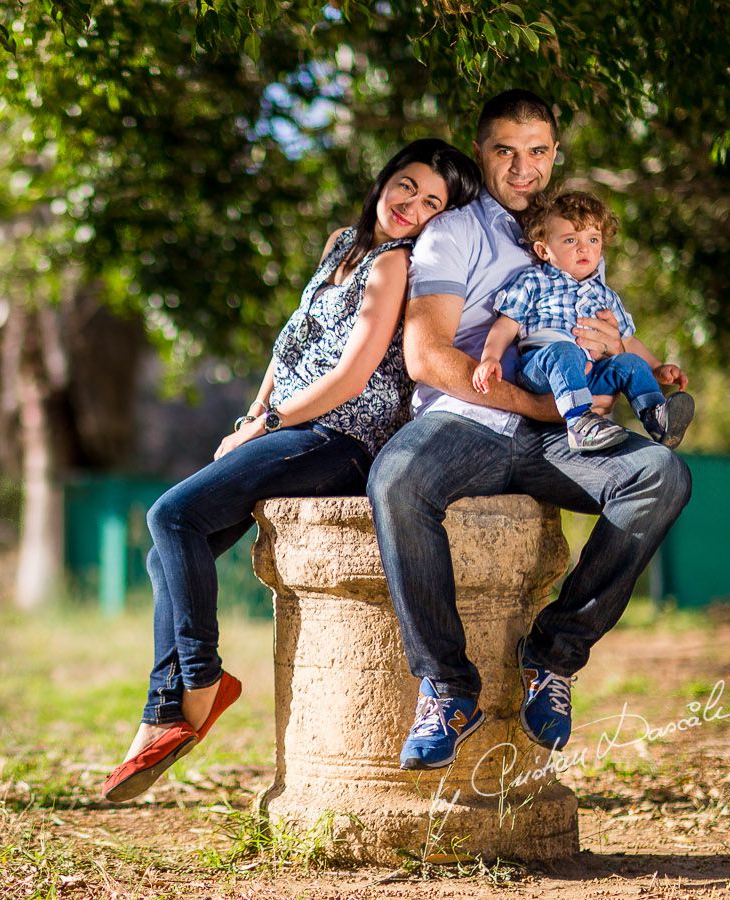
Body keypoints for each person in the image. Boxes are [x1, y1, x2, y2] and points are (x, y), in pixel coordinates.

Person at [100, 139, 482, 802]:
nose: (411, 207)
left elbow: (353, 374)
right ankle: (165, 714)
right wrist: (252, 415)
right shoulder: (342, 244)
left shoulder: (393, 267)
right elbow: (294, 341)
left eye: (432, 204)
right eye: (408, 186)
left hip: (339, 439)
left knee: (171, 515)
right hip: (288, 426)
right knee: (168, 556)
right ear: (385, 178)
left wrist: (269, 426)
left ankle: (197, 683)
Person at [366, 90, 692, 771]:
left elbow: (603, 326)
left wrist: (632, 358)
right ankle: (449, 689)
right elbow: (429, 355)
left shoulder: (575, 234)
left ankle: (553, 657)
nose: (522, 168)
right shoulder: (455, 233)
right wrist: (536, 406)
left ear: (555, 156)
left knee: (659, 475)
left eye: (537, 151)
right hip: (471, 422)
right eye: (505, 152)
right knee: (397, 477)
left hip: (560, 434)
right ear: (481, 153)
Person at [472, 189, 694, 451]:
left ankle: (656, 417)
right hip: (543, 367)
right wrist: (490, 357)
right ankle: (579, 424)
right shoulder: (534, 281)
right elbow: (505, 326)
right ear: (544, 250)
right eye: (570, 241)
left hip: (591, 374)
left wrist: (657, 367)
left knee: (629, 363)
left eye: (592, 239)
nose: (583, 248)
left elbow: (628, 340)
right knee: (565, 351)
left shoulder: (606, 295)